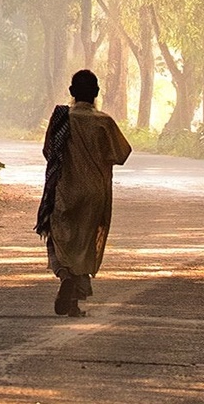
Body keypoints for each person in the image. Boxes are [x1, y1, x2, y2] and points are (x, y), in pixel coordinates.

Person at [34, 68, 133, 316]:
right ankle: (74, 303)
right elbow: (121, 154)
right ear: (97, 93)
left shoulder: (62, 120)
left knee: (59, 237)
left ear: (71, 93)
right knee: (84, 244)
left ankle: (65, 276)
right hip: (95, 193)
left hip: (66, 189)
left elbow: (48, 152)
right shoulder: (104, 122)